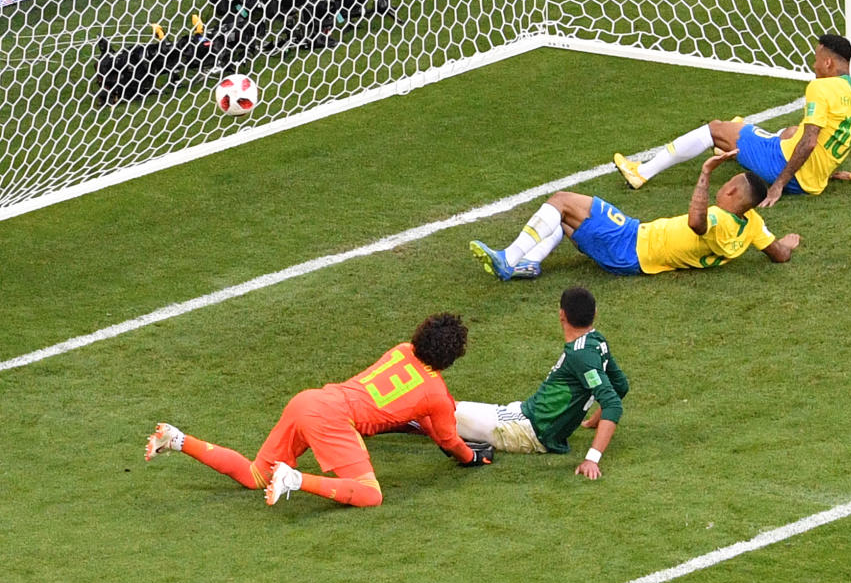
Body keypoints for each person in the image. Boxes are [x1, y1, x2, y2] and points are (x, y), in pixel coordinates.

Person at [143, 313, 493, 508]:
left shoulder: (401, 349)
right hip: (334, 419)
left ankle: (177, 439)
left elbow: (424, 420)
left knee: (255, 476)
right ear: (451, 357)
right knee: (370, 494)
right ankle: (295, 479)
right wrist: (471, 459)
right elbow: (447, 437)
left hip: (310, 400)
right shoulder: (436, 392)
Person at [613, 33, 851, 207]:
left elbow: (809, 143)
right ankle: (738, 141)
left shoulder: (820, 87)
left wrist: (779, 184)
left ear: (829, 63)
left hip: (784, 169)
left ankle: (642, 173)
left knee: (716, 128)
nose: (813, 64)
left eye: (816, 58)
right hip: (816, 181)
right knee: (791, 130)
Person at [469, 150, 800, 280]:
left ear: (731, 193)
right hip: (634, 250)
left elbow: (696, 222)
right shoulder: (752, 224)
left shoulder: (718, 219)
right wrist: (785, 243)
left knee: (561, 200)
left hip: (630, 243)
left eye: (727, 183)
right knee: (568, 218)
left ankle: (508, 258)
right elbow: (779, 255)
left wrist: (704, 173)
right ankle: (529, 263)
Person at [454, 286, 628, 480]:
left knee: (444, 410)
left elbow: (612, 403)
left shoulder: (580, 354)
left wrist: (592, 459)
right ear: (595, 313)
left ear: (561, 314)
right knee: (444, 410)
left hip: (525, 429)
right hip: (524, 416)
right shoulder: (596, 341)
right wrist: (593, 422)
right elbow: (620, 386)